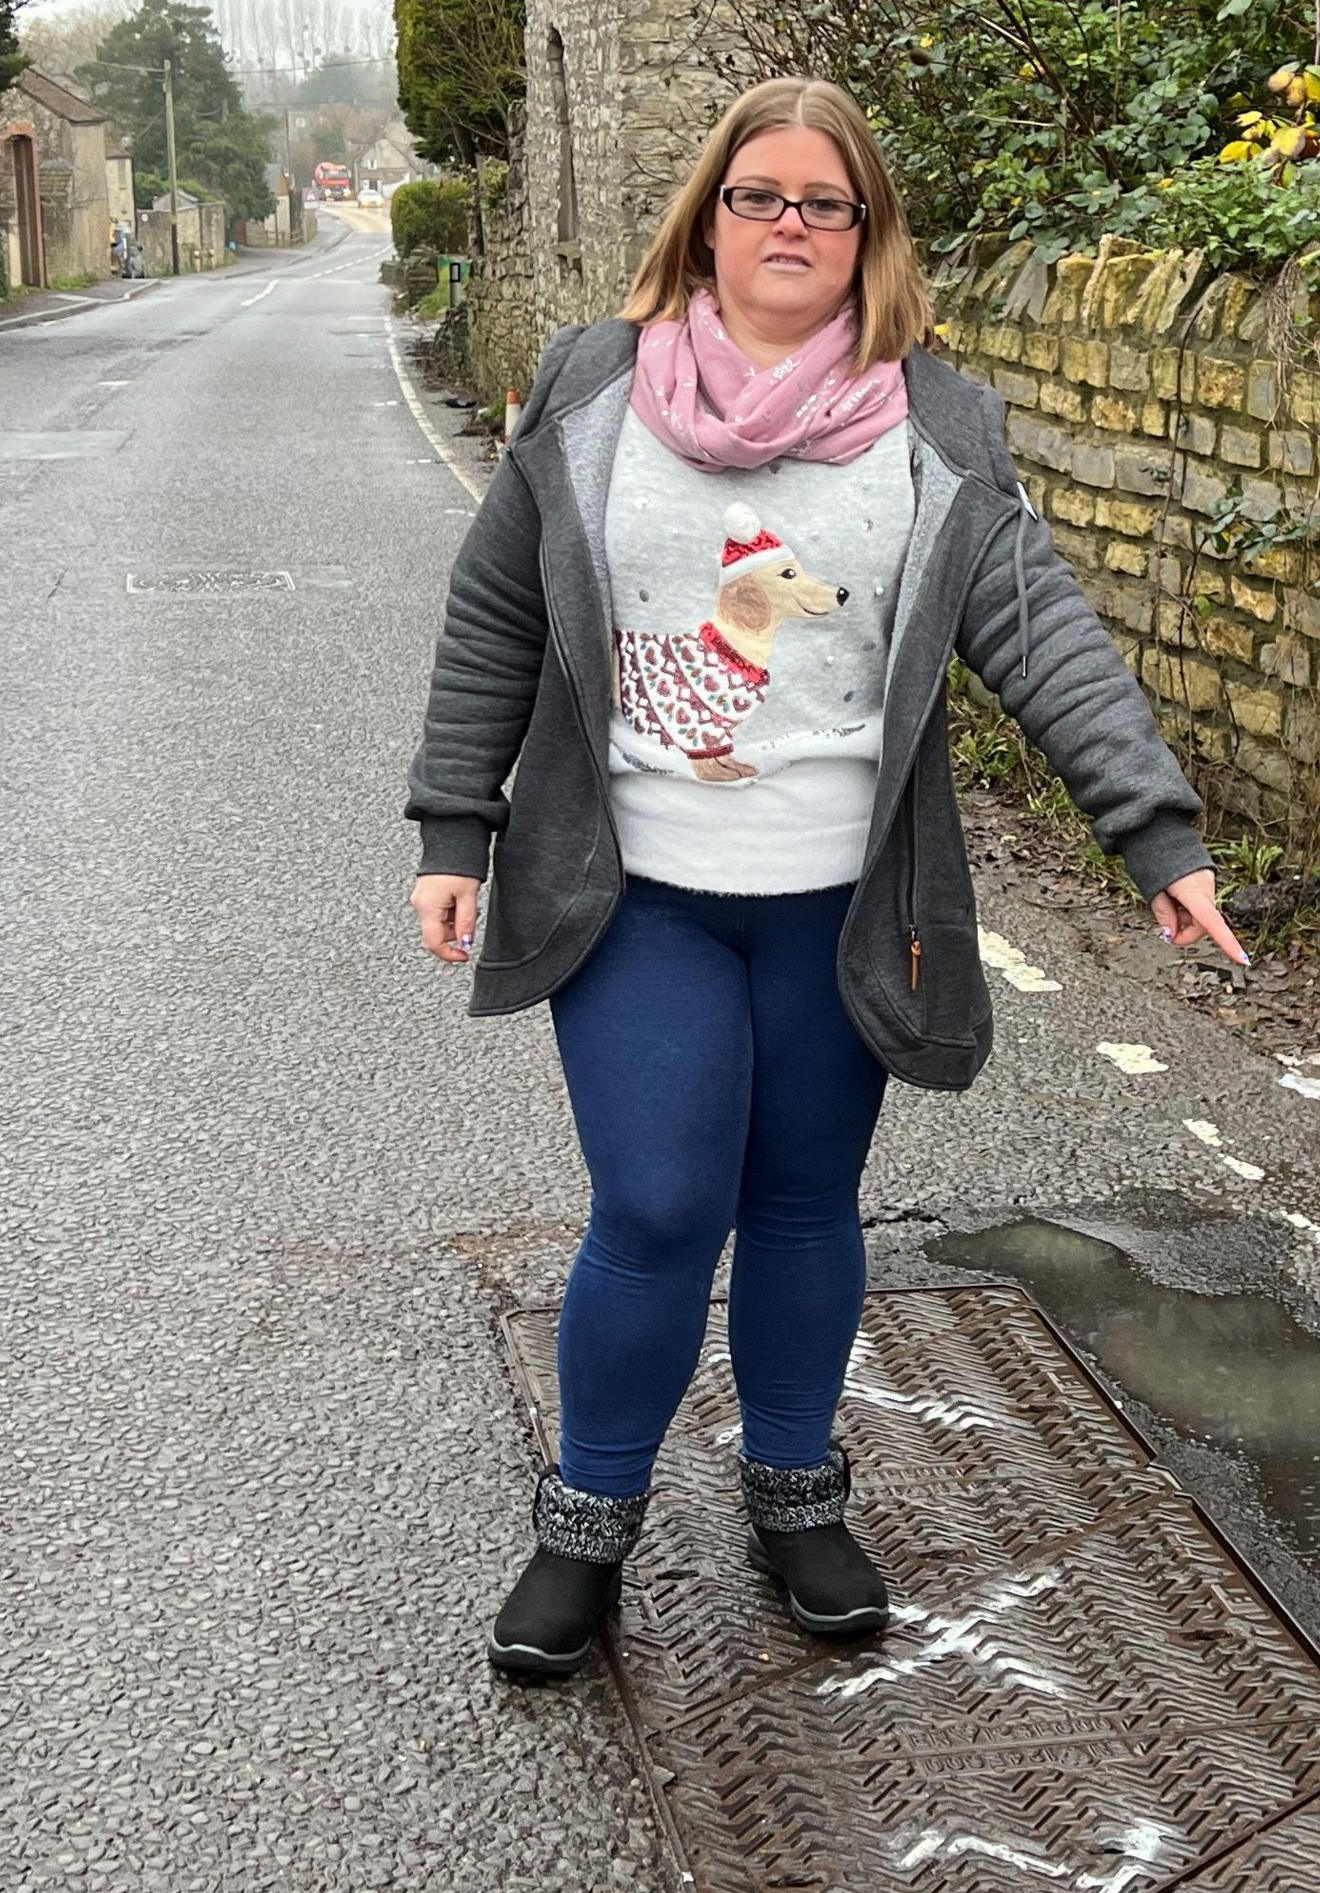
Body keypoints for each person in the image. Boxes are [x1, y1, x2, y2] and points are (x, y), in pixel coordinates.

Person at [407, 77, 1247, 1680]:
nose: (790, 226)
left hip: (841, 902)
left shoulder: (934, 423)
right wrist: (459, 826)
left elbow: (1042, 635)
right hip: (632, 887)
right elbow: (495, 618)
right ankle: (589, 1515)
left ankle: (794, 1485)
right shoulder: (592, 388)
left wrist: (1154, 833)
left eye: (825, 203)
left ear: (869, 237)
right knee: (657, 1204)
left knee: (801, 1204)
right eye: (759, 195)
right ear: (707, 219)